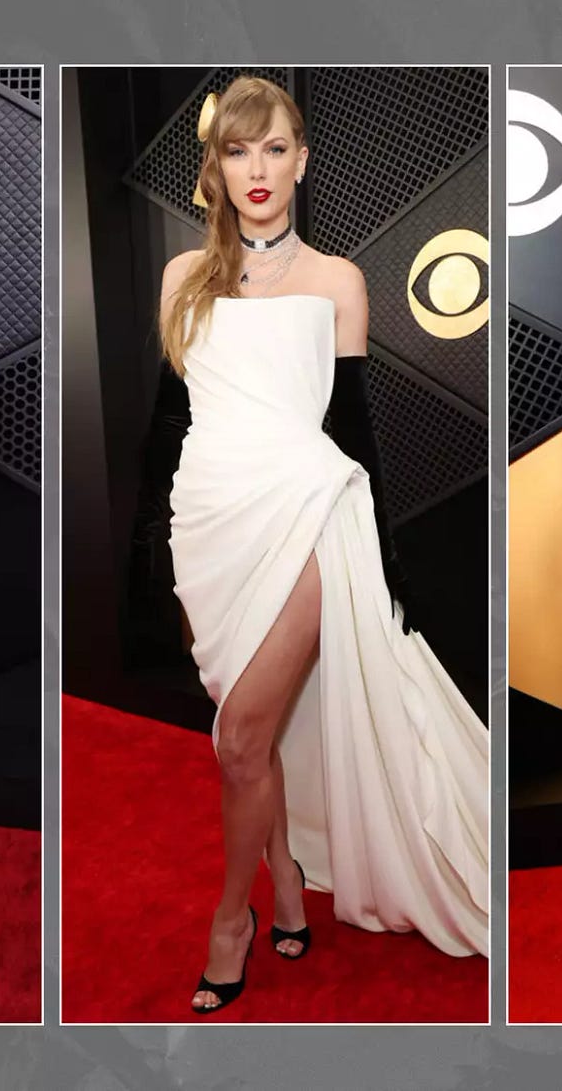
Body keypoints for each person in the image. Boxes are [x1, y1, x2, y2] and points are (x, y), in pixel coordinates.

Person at [144, 76, 489, 1016]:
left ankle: (233, 919)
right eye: (237, 151)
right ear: (213, 169)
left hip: (304, 513)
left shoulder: (340, 281)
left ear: (303, 158)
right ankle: (288, 876)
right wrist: (152, 551)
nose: (258, 169)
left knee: (241, 736)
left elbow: (358, 432)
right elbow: (171, 422)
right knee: (250, 737)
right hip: (208, 522)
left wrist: (387, 558)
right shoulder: (182, 279)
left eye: (275, 148)